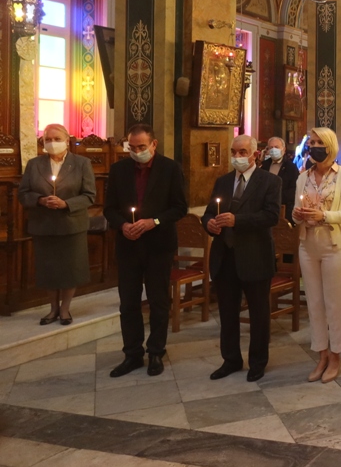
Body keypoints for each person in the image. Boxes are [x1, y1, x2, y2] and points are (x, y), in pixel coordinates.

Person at [104, 124, 188, 378]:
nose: (136, 151)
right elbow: (109, 208)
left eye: (141, 146)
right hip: (128, 245)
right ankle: (132, 353)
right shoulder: (119, 170)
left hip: (158, 245)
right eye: (132, 147)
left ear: (154, 144)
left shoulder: (170, 168)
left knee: (158, 301)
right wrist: (123, 225)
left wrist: (155, 221)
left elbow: (179, 207)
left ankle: (155, 351)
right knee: (128, 302)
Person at [202, 135, 282, 382]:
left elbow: (271, 216)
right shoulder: (223, 181)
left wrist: (238, 220)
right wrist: (209, 224)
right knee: (227, 313)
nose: (237, 157)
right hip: (225, 256)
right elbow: (208, 213)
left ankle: (257, 362)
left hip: (255, 256)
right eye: (234, 152)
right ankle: (231, 359)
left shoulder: (270, 181)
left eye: (242, 152)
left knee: (258, 314)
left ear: (255, 154)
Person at [292, 128, 341, 383]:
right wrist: (296, 215)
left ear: (330, 146)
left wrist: (325, 216)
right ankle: (321, 355)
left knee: (334, 304)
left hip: (335, 247)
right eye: (312, 142)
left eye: (319, 142)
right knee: (314, 303)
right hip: (308, 246)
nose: (314, 146)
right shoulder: (303, 177)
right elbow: (296, 211)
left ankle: (336, 356)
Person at [18, 124, 96, 326]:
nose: (52, 143)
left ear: (67, 141)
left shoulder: (82, 163)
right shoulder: (34, 164)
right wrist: (40, 200)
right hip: (43, 225)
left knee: (70, 269)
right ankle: (52, 308)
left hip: (71, 225)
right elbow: (23, 194)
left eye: (57, 139)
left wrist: (66, 204)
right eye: (48, 139)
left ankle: (65, 309)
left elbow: (89, 195)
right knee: (48, 269)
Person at [261, 136, 300, 223]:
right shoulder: (264, 166)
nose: (273, 150)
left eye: (276, 147)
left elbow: (294, 189)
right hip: (265, 209)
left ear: (284, 149)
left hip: (284, 208)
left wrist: (275, 197)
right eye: (271, 147)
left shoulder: (291, 168)